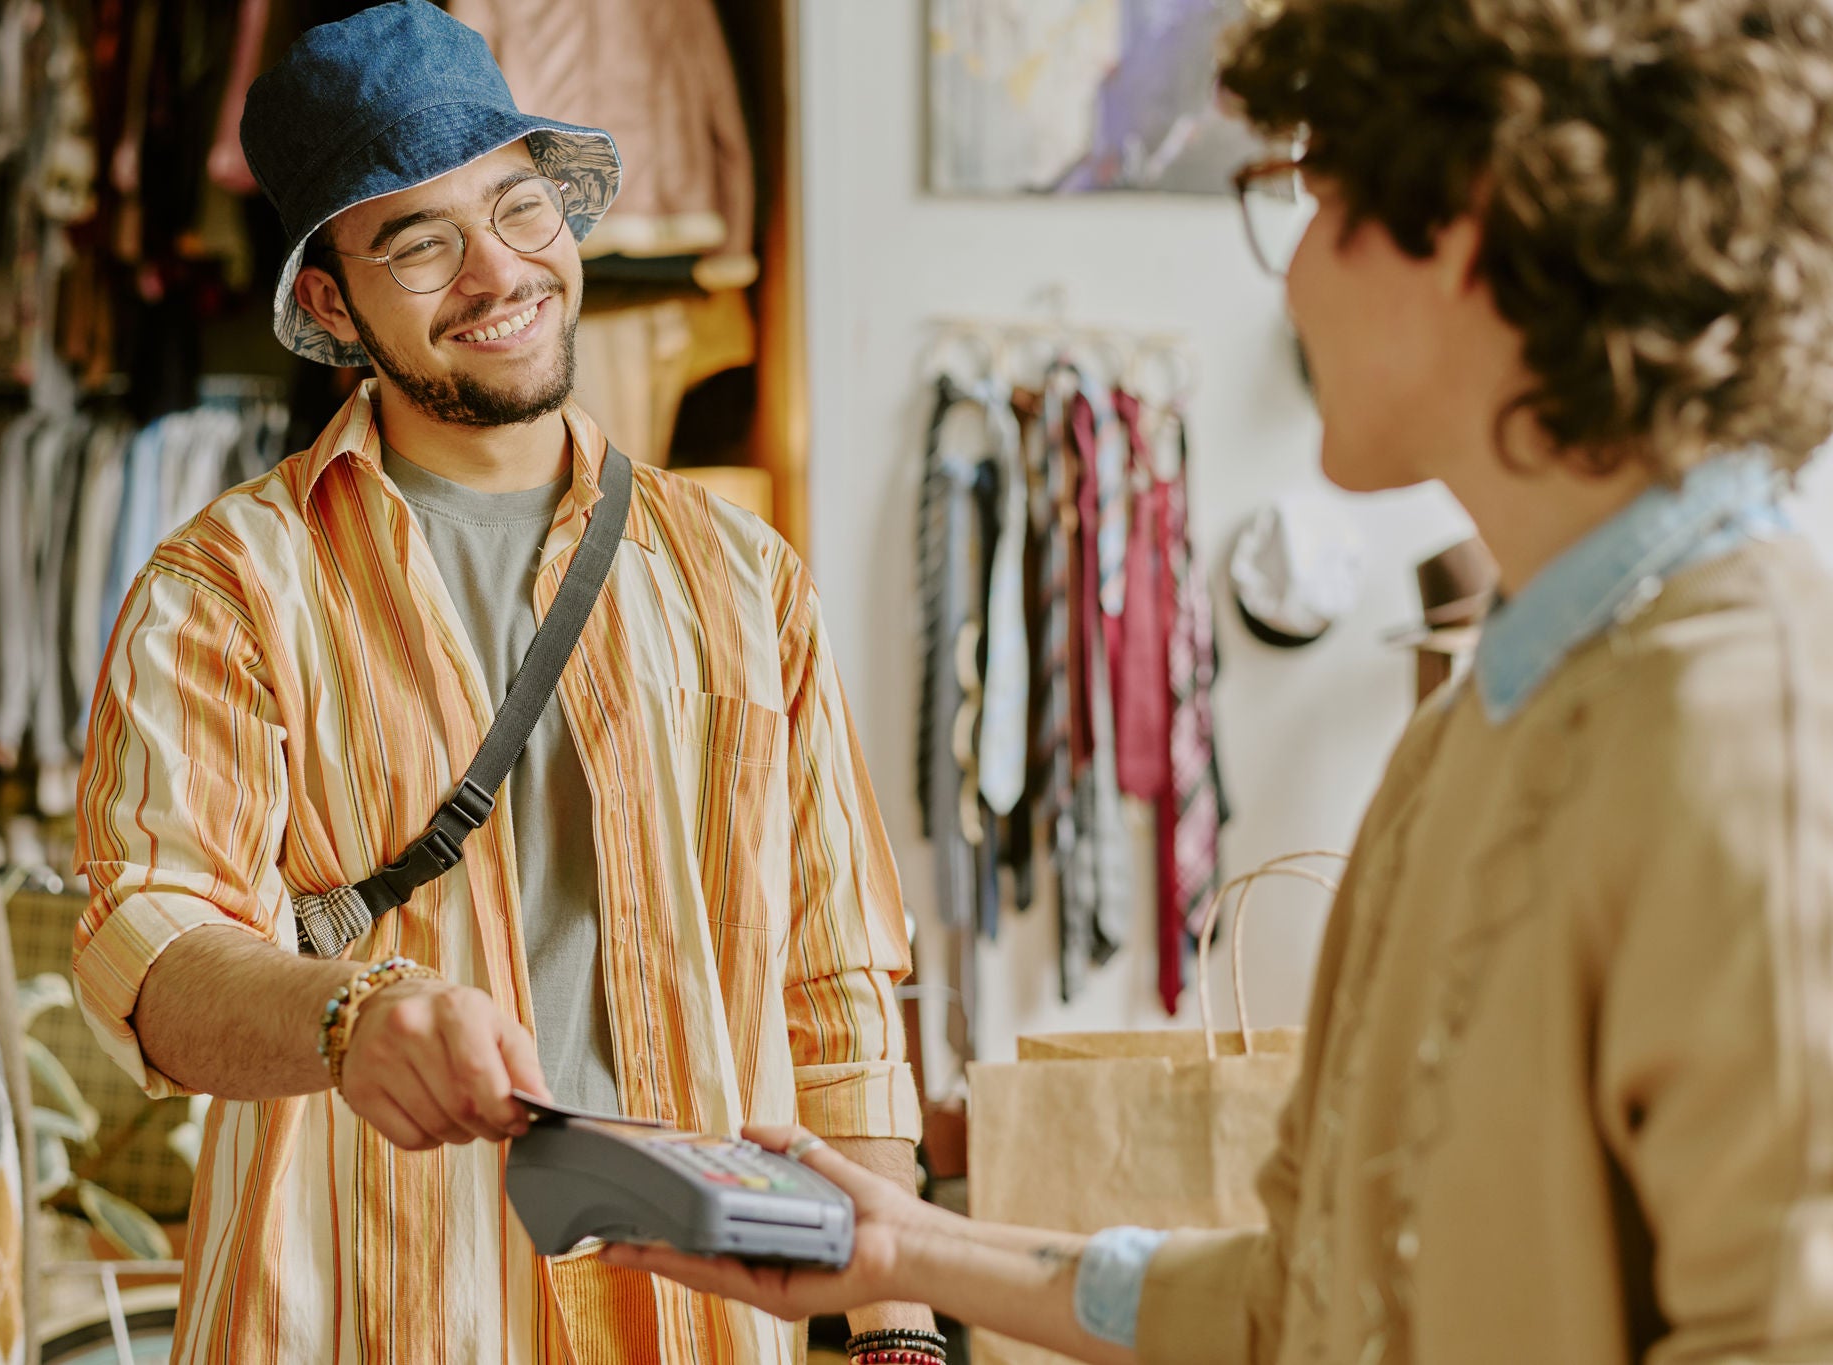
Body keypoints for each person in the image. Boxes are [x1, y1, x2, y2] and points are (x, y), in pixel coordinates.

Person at [610, 1, 1833, 1361]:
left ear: (1480, 215)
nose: (1294, 273)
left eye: (1314, 201)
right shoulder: (1485, 720)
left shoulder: (1755, 730)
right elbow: (1313, 1295)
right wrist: (906, 1248)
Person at [70, 4, 933, 1361]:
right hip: (364, 1315)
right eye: (418, 240)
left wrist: (897, 1331)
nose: (495, 272)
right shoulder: (227, 583)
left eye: (516, 207)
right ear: (328, 300)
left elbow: (836, 989)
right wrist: (347, 1015)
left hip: (697, 1317)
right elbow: (154, 946)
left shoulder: (746, 580)